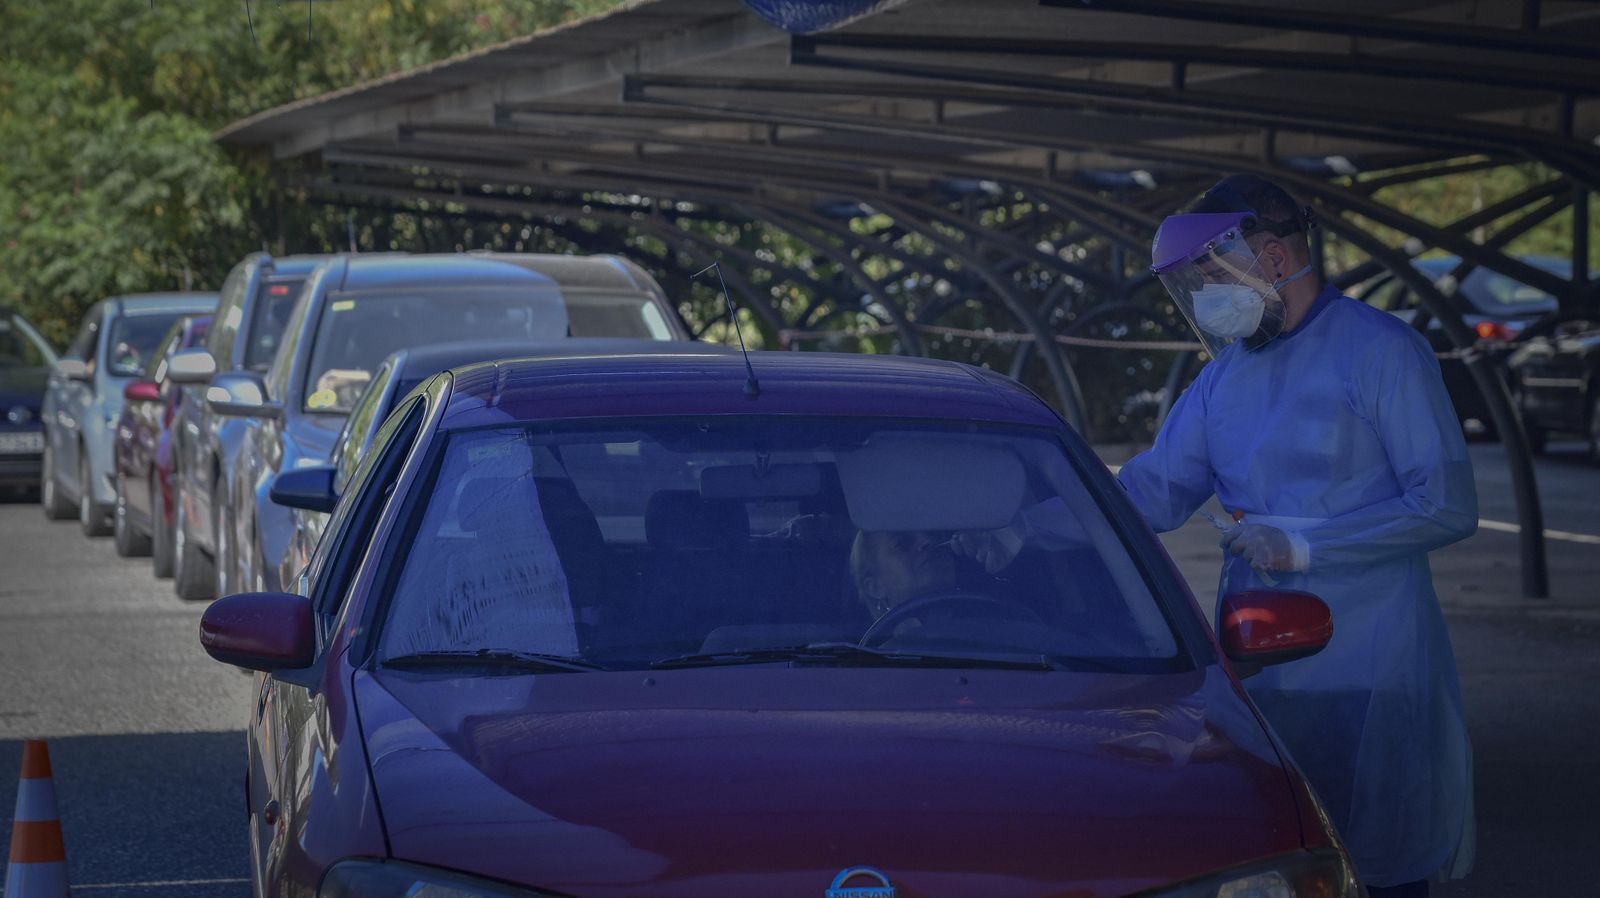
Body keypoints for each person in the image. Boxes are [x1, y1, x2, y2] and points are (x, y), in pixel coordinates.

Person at [1117, 174, 1477, 896]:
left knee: (1382, 857)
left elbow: (1447, 503)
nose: (1208, 297)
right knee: (1281, 858)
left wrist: (1308, 547)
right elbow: (1155, 491)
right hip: (1262, 664)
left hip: (1371, 661)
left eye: (1214, 275)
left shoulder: (1381, 352)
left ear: (1276, 258)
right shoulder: (1226, 378)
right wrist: (1040, 507)